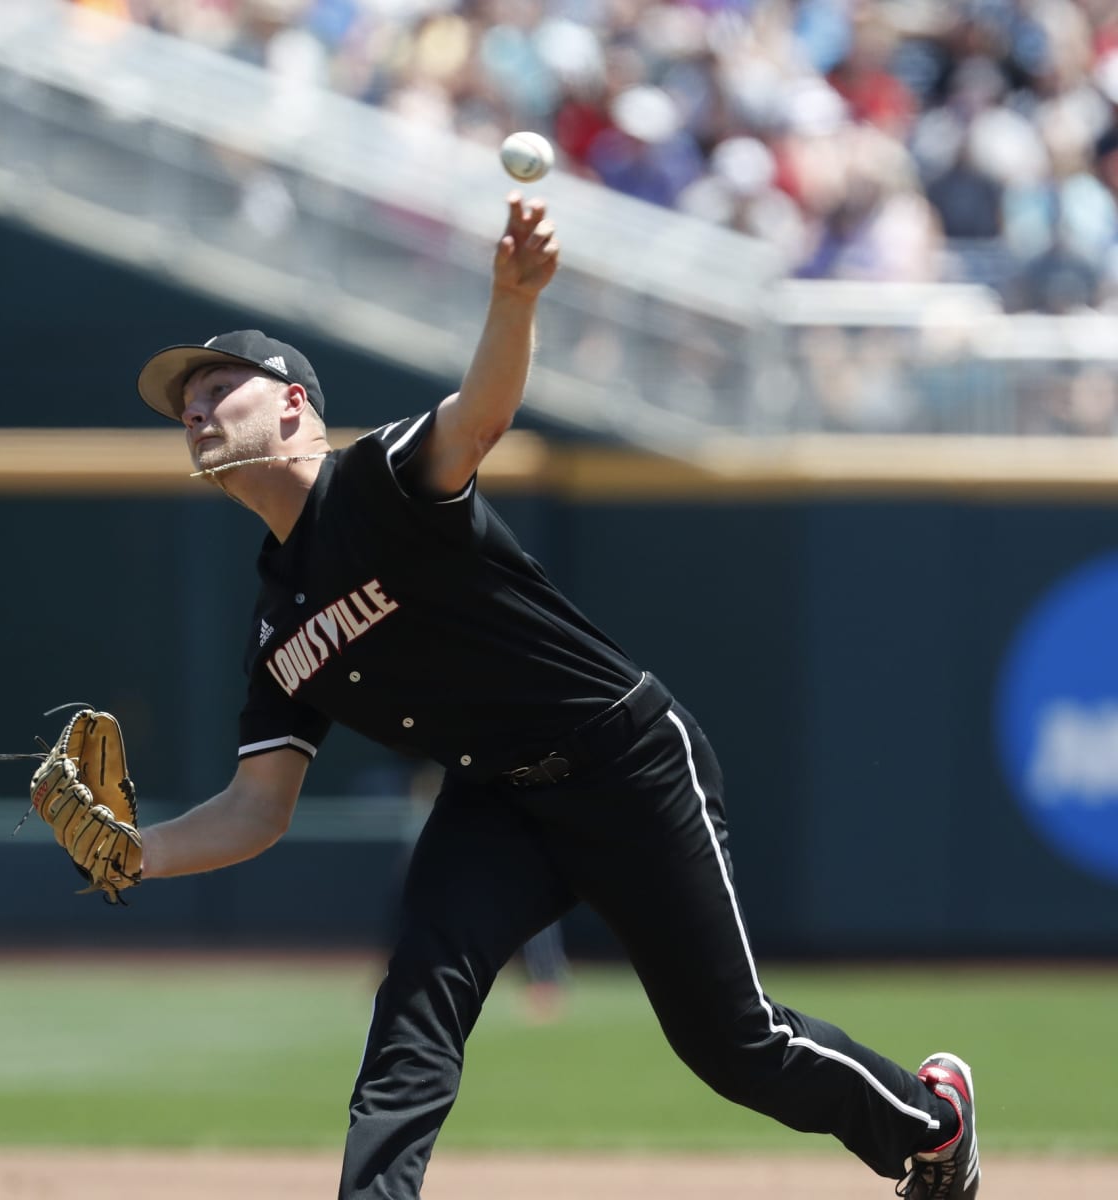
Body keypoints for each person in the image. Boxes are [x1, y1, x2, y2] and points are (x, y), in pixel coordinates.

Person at [112, 193, 979, 1198]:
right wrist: (135, 852)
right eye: (186, 397)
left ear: (293, 403)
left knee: (732, 1043)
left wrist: (513, 301)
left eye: (220, 383)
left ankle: (933, 1125)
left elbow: (478, 417)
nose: (194, 405)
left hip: (627, 761)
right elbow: (256, 810)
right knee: (415, 1010)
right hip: (498, 799)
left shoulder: (380, 480)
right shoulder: (277, 621)